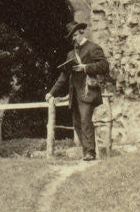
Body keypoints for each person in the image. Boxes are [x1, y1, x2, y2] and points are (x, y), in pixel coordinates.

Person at [46, 19, 109, 161]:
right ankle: (86, 150)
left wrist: (85, 67)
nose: (73, 39)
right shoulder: (71, 54)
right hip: (75, 94)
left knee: (86, 121)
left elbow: (104, 66)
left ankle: (90, 152)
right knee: (77, 123)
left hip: (88, 92)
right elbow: (64, 76)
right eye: (71, 37)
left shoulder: (93, 48)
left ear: (81, 33)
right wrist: (51, 92)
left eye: (74, 36)